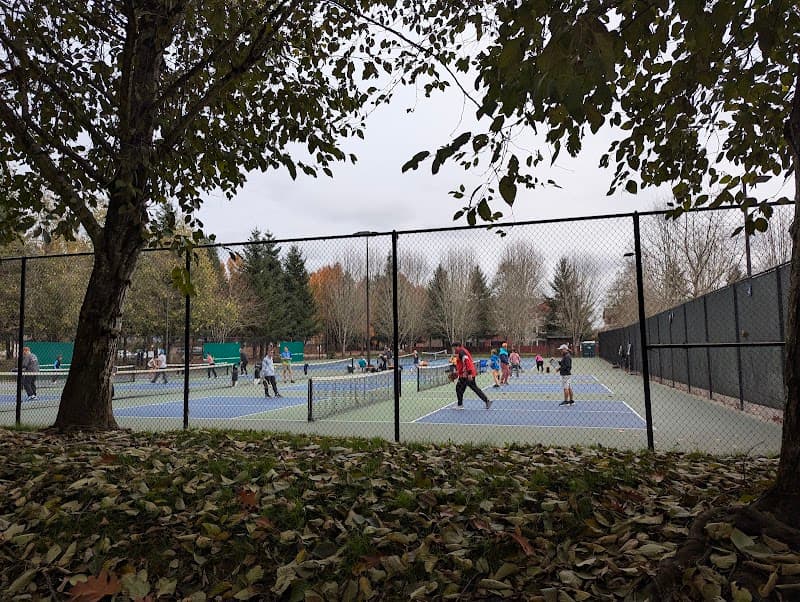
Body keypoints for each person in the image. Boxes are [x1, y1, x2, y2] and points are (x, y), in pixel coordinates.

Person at [452, 342, 492, 410]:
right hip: (464, 374)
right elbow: (462, 364)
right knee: (460, 388)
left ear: (458, 346)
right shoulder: (462, 351)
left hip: (467, 374)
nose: (454, 349)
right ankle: (460, 404)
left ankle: (487, 401)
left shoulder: (462, 352)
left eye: (455, 347)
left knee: (470, 388)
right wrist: (458, 372)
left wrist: (469, 373)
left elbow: (467, 362)